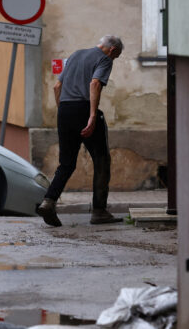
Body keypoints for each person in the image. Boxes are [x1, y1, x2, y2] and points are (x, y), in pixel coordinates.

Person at [37, 35, 124, 227]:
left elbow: (57, 86)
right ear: (112, 50)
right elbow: (94, 84)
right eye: (116, 56)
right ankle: (99, 211)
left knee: (66, 164)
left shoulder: (75, 55)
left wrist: (63, 112)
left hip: (65, 111)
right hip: (84, 109)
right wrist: (92, 116)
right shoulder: (104, 59)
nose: (114, 59)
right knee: (101, 160)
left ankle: (48, 202)